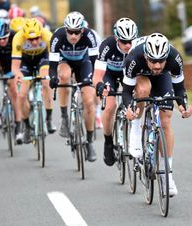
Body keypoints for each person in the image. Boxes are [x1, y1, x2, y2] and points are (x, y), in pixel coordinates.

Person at [121, 32, 192, 196]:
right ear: (146, 56)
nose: (157, 65)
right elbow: (126, 92)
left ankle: (167, 175)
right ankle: (136, 128)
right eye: (153, 61)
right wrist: (129, 109)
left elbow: (180, 89)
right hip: (140, 75)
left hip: (163, 79)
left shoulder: (175, 59)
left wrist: (184, 106)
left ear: (167, 57)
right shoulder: (134, 58)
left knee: (166, 121)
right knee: (143, 90)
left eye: (161, 60)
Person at [49, 11, 99, 162]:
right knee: (63, 76)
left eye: (77, 32)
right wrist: (52, 77)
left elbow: (95, 64)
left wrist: (92, 82)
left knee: (89, 101)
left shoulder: (90, 36)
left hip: (84, 63)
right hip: (65, 62)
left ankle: (89, 142)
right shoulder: (57, 36)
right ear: (65, 30)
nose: (73, 36)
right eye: (70, 32)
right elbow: (52, 64)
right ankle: (64, 117)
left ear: (82, 30)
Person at [93, 17, 138, 166]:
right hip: (110, 75)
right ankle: (108, 142)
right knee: (110, 106)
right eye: (124, 42)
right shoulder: (107, 45)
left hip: (128, 75)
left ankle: (135, 135)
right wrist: (99, 86)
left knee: (137, 100)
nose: (128, 45)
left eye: (131, 41)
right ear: (116, 38)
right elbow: (98, 75)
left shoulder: (136, 47)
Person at [11, 18, 57, 144]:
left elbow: (55, 60)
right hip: (25, 62)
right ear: (25, 36)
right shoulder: (18, 38)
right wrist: (19, 75)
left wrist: (53, 74)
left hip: (43, 58)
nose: (35, 41)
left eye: (37, 38)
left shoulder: (48, 36)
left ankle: (48, 119)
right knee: (21, 94)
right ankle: (27, 127)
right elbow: (15, 66)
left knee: (46, 83)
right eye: (31, 39)